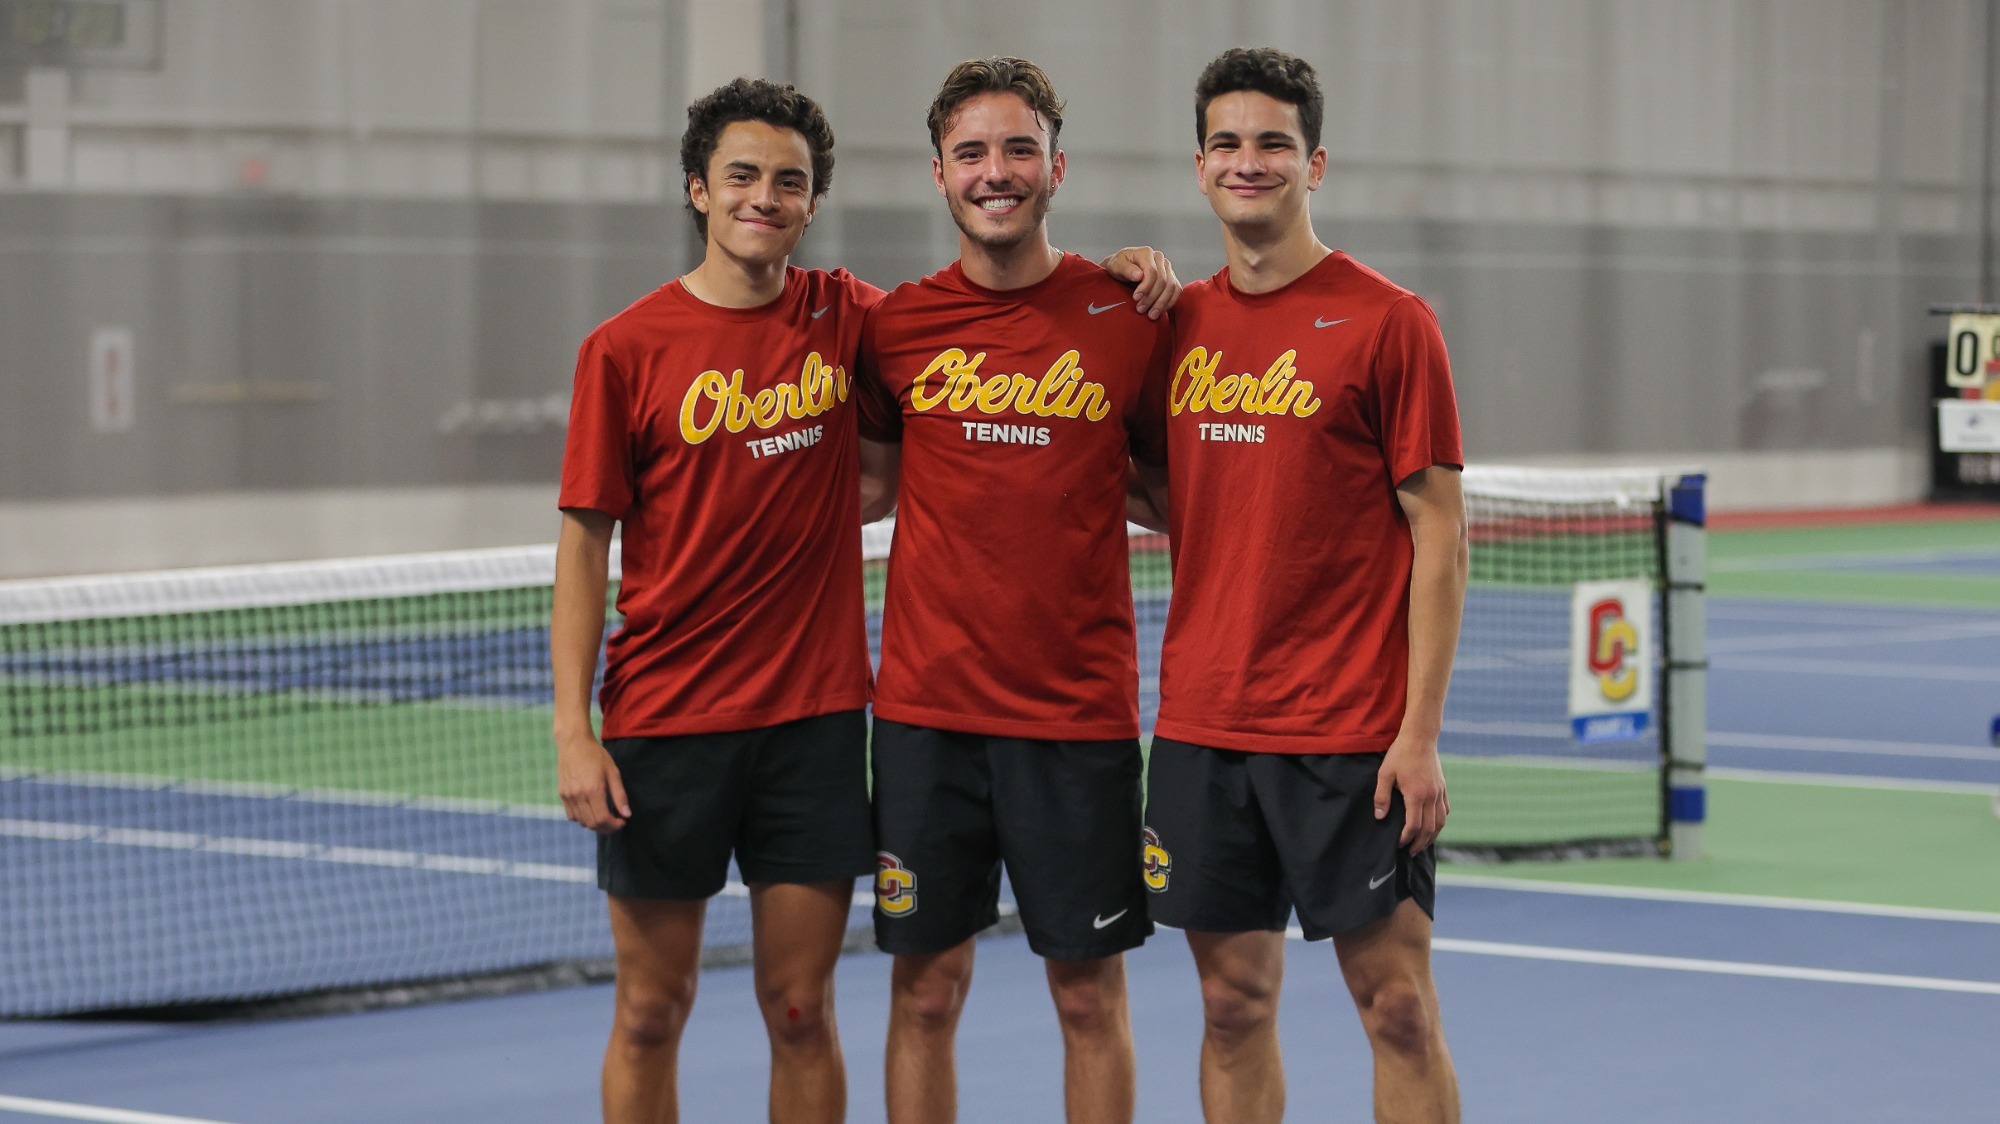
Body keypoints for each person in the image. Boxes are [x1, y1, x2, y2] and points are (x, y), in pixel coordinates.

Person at [550, 78, 892, 1124]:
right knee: (652, 1009)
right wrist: (573, 727)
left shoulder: (849, 317)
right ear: (698, 188)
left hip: (814, 726)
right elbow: (582, 544)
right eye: (741, 175)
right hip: (664, 723)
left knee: (800, 1008)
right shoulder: (622, 349)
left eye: (789, 181)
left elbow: (988, 310)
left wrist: (1120, 274)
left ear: (811, 201)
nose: (764, 196)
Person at [1136, 47, 1467, 1124]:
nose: (1248, 161)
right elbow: (1161, 485)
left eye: (1271, 142)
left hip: (1347, 736)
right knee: (1231, 1004)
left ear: (1311, 163)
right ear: (1198, 166)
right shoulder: (1174, 323)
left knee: (1397, 1008)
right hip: (1202, 726)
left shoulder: (1387, 321)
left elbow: (1439, 535)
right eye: (1226, 143)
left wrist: (1416, 733)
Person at [856, 57, 1176, 1124]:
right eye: (973, 154)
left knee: (1087, 994)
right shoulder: (892, 328)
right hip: (922, 721)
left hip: (1071, 719)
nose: (996, 172)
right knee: (925, 990)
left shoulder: (1126, 314)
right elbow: (854, 483)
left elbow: (1183, 493)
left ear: (1055, 166)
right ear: (939, 174)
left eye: (1017, 149)